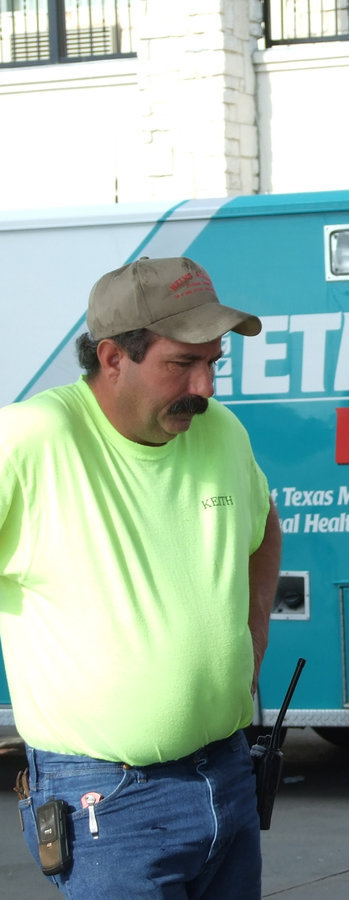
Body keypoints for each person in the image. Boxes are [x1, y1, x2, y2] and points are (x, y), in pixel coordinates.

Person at [0, 257, 282, 897]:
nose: (206, 388)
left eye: (215, 362)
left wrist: (251, 635)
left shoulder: (222, 435)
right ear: (112, 358)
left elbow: (264, 527)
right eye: (182, 364)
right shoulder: (32, 440)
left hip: (226, 775)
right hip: (106, 801)